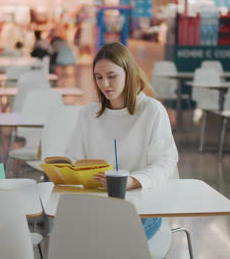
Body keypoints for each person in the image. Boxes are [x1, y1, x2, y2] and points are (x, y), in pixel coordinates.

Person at [65, 42, 179, 242]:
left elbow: (165, 163)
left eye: (112, 76)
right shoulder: (88, 114)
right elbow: (72, 157)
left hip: (144, 207)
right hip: (98, 205)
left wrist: (132, 182)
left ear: (129, 73)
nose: (104, 84)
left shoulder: (152, 110)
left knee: (114, 240)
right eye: (99, 77)